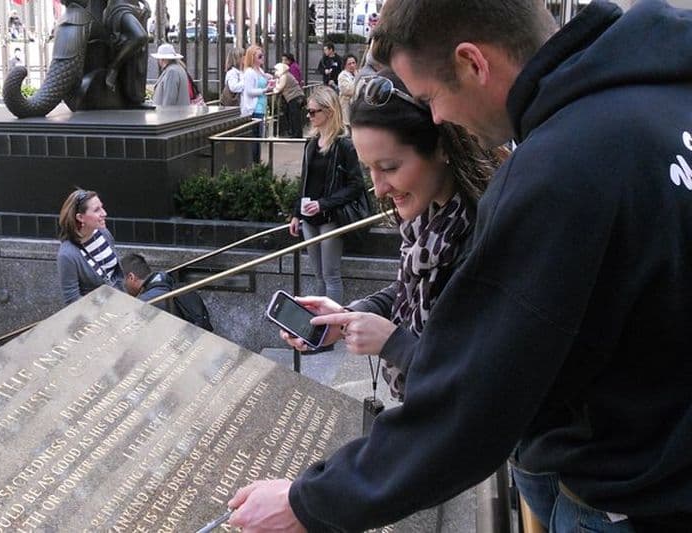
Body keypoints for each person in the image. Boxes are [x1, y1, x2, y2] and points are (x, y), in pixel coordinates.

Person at [228, 0, 692, 531]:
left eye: (431, 97)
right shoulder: (666, 90)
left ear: (473, 62)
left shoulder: (560, 168)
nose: (439, 119)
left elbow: (471, 403)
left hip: (633, 494)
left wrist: (310, 502)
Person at [283, 69, 496, 403]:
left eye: (390, 167)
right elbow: (408, 291)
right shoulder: (428, 217)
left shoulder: (487, 234)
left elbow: (481, 378)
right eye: (370, 168)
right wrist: (347, 317)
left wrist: (393, 343)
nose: (379, 188)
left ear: (441, 148)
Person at [289, 86, 364, 313]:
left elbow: (356, 184)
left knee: (331, 275)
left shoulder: (344, 145)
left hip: (331, 217)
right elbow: (305, 182)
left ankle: (331, 329)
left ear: (329, 111)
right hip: (310, 218)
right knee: (319, 275)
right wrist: (296, 213)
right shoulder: (311, 143)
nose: (309, 116)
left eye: (314, 112)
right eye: (308, 112)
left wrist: (324, 203)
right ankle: (319, 327)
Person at [57, 189, 124, 305]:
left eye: (102, 207)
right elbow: (72, 300)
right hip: (97, 317)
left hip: (120, 303)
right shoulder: (67, 255)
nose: (104, 213)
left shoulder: (103, 233)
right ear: (80, 218)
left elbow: (116, 274)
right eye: (97, 210)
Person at [121, 253, 214, 331]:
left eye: (122, 281)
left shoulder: (145, 303)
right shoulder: (171, 284)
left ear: (131, 277)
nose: (122, 286)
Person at [241, 45, 274, 163]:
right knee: (255, 137)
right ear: (252, 57)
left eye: (262, 55)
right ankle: (254, 162)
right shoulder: (249, 72)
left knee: (258, 137)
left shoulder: (260, 71)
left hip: (261, 106)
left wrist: (268, 84)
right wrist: (265, 90)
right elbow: (249, 91)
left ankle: (256, 161)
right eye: (259, 56)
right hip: (254, 108)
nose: (262, 58)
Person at [273, 61, 305, 138]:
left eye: (276, 70)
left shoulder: (284, 76)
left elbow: (280, 87)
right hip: (296, 97)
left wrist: (274, 89)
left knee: (295, 117)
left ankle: (296, 134)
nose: (275, 72)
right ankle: (296, 133)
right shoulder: (287, 75)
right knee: (294, 116)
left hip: (294, 97)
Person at [337, 54, 358, 132]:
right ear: (345, 65)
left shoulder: (357, 74)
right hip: (346, 107)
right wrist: (358, 81)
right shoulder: (343, 76)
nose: (352, 65)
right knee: (347, 129)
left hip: (356, 107)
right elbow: (348, 90)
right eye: (349, 64)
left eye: (354, 63)